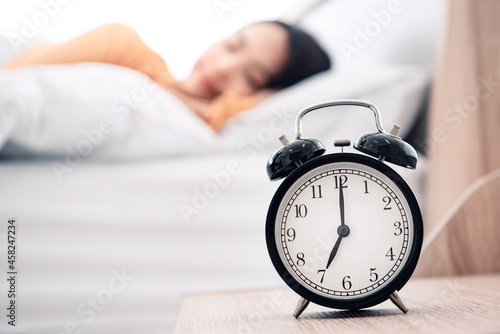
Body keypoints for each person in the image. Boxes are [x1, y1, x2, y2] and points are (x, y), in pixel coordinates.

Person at [3, 22, 331, 131]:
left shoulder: (204, 123)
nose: (221, 68)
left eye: (253, 77)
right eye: (232, 45)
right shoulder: (126, 48)